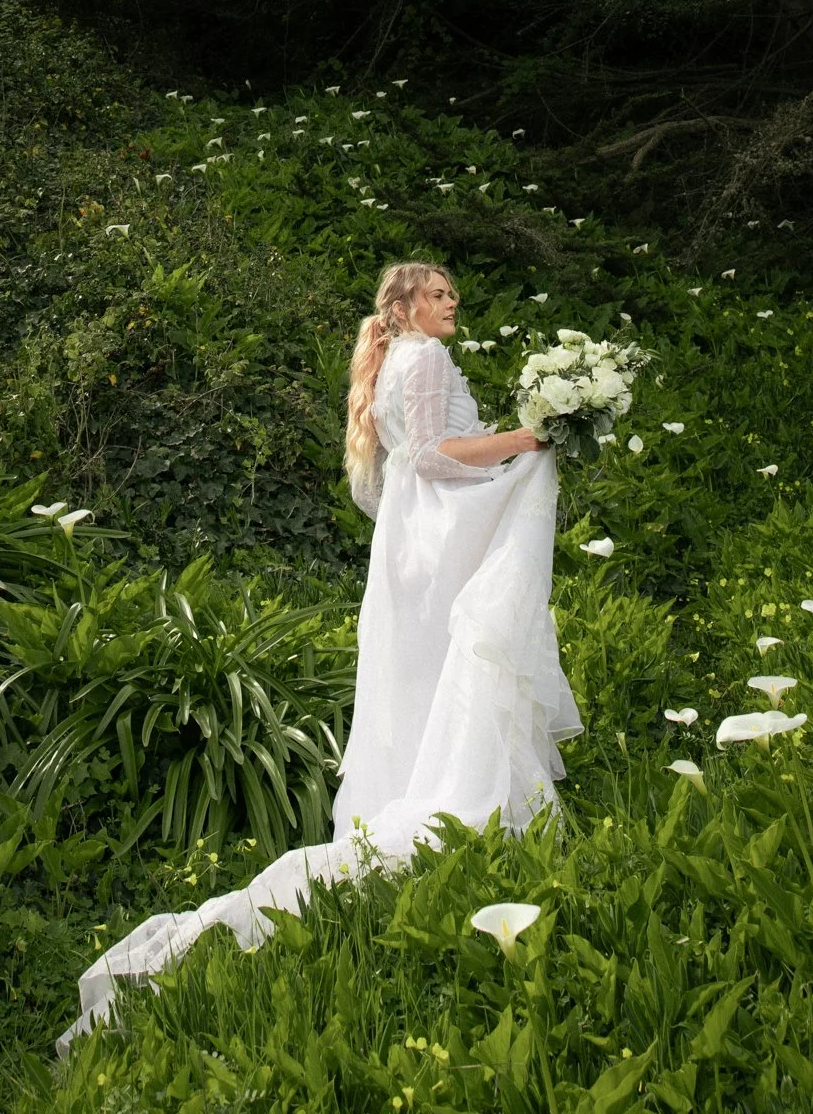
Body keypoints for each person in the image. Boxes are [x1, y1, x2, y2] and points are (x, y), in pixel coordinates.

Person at [61, 259, 581, 1046]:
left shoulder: (390, 361)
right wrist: (531, 439)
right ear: (405, 304)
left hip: (404, 549)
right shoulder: (426, 356)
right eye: (439, 294)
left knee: (419, 684)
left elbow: (386, 481)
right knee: (462, 666)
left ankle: (423, 793)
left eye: (452, 294)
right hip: (435, 543)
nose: (454, 303)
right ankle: (465, 808)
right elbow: (441, 455)